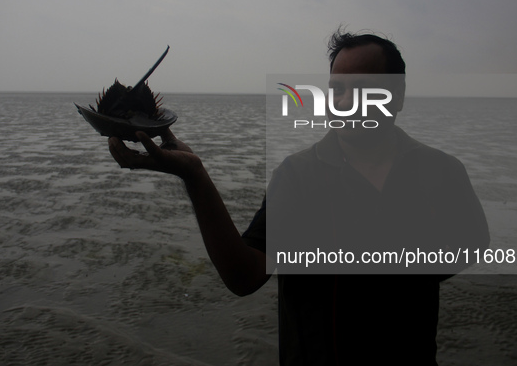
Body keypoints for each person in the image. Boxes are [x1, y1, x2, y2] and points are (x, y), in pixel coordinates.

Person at [108, 29, 490, 365]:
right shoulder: (298, 177)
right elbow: (245, 275)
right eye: (338, 88)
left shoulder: (440, 171)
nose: (347, 101)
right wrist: (194, 175)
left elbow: (473, 242)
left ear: (398, 96)